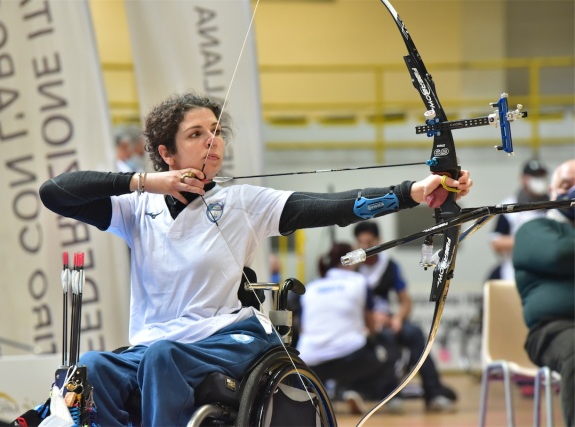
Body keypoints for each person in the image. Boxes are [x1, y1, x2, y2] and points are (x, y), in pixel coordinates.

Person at [38, 92, 472, 426]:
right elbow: (54, 192)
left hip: (225, 340)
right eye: (196, 134)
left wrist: (411, 192)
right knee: (90, 366)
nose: (213, 140)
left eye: (216, 131)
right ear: (166, 153)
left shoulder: (243, 203)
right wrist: (144, 181)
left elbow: (331, 205)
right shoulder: (135, 209)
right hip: (154, 346)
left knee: (161, 357)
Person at [354, 221, 457, 412]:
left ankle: (434, 393)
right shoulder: (353, 268)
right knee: (387, 340)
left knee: (415, 334)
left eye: (369, 242)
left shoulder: (390, 266)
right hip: (362, 324)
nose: (365, 247)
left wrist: (398, 318)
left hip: (387, 320)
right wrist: (371, 318)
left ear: (378, 241)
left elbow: (405, 301)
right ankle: (390, 395)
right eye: (361, 243)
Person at [296, 242, 402, 415]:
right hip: (350, 359)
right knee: (386, 347)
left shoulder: (311, 287)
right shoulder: (359, 282)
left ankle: (330, 389)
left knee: (345, 351)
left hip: (310, 363)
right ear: (349, 260)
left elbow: (302, 328)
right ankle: (360, 390)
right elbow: (371, 327)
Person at [513, 159, 574, 427]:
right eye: (566, 185)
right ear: (552, 191)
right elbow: (558, 254)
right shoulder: (534, 229)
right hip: (553, 331)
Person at [489, 159, 549, 281]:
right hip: (515, 276)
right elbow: (496, 241)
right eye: (534, 176)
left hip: (548, 276)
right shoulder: (509, 206)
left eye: (541, 176)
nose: (538, 179)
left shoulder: (555, 205)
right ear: (523, 179)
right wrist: (532, 241)